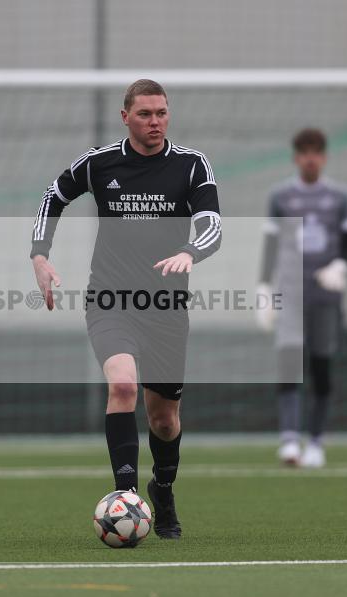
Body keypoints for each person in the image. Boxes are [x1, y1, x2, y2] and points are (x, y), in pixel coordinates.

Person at [30, 79, 222, 538]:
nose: (154, 122)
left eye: (161, 113)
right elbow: (52, 197)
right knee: (122, 387)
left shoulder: (191, 166)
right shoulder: (99, 164)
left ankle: (163, 490)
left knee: (164, 418)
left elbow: (212, 224)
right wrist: (39, 255)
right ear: (125, 117)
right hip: (110, 301)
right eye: (144, 114)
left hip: (166, 308)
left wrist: (190, 253)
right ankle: (127, 500)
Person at [257, 128, 347, 468]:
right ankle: (289, 440)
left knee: (320, 367)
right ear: (296, 157)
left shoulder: (340, 196)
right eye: (304, 152)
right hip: (290, 292)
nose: (310, 158)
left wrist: (340, 266)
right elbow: (270, 245)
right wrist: (264, 287)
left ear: (324, 156)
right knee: (289, 363)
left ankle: (315, 442)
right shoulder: (280, 196)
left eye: (316, 152)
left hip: (325, 296)